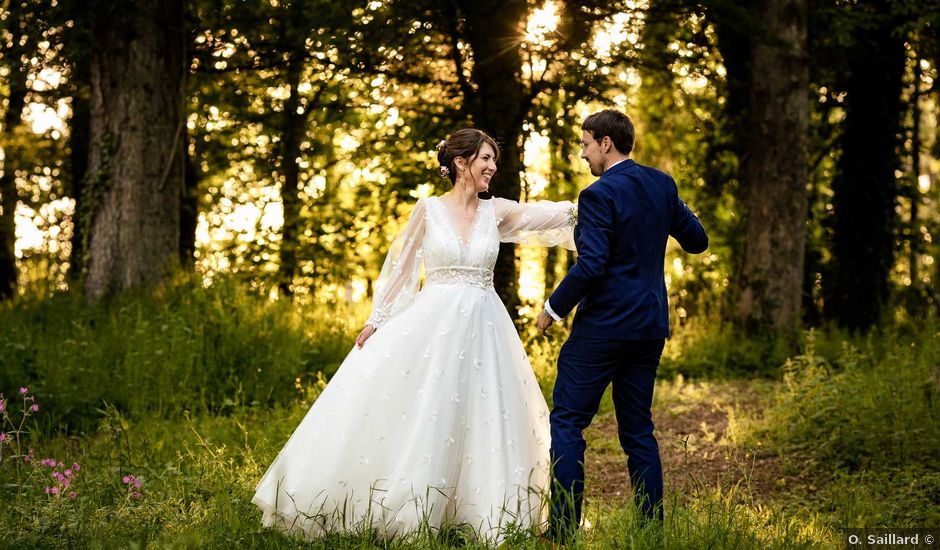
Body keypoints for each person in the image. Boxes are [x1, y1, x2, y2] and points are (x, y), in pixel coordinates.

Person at [252, 128, 578, 543]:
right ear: (461, 163)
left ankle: (481, 513)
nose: (492, 167)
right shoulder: (428, 210)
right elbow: (402, 269)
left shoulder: (496, 212)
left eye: (493, 160)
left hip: (485, 328)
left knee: (484, 414)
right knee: (425, 412)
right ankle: (409, 509)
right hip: (434, 325)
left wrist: (605, 200)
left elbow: (551, 216)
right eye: (485, 159)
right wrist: (378, 318)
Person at [536, 109, 708, 538]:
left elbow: (592, 266)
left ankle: (561, 532)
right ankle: (651, 530)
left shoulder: (597, 195)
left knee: (569, 421)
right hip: (649, 326)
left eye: (585, 144)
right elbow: (698, 241)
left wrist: (553, 308)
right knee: (638, 430)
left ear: (605, 143)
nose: (582, 154)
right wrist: (672, 208)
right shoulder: (662, 184)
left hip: (602, 330)